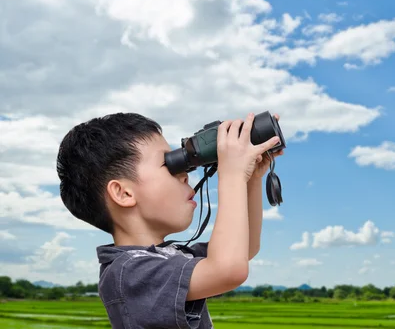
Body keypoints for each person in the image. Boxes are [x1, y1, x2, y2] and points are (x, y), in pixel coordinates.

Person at [56, 111, 283, 328]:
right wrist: (232, 175)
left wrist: (251, 178)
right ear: (124, 193)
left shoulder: (169, 257)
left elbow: (243, 251)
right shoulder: (127, 272)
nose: (185, 174)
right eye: (169, 164)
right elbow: (228, 270)